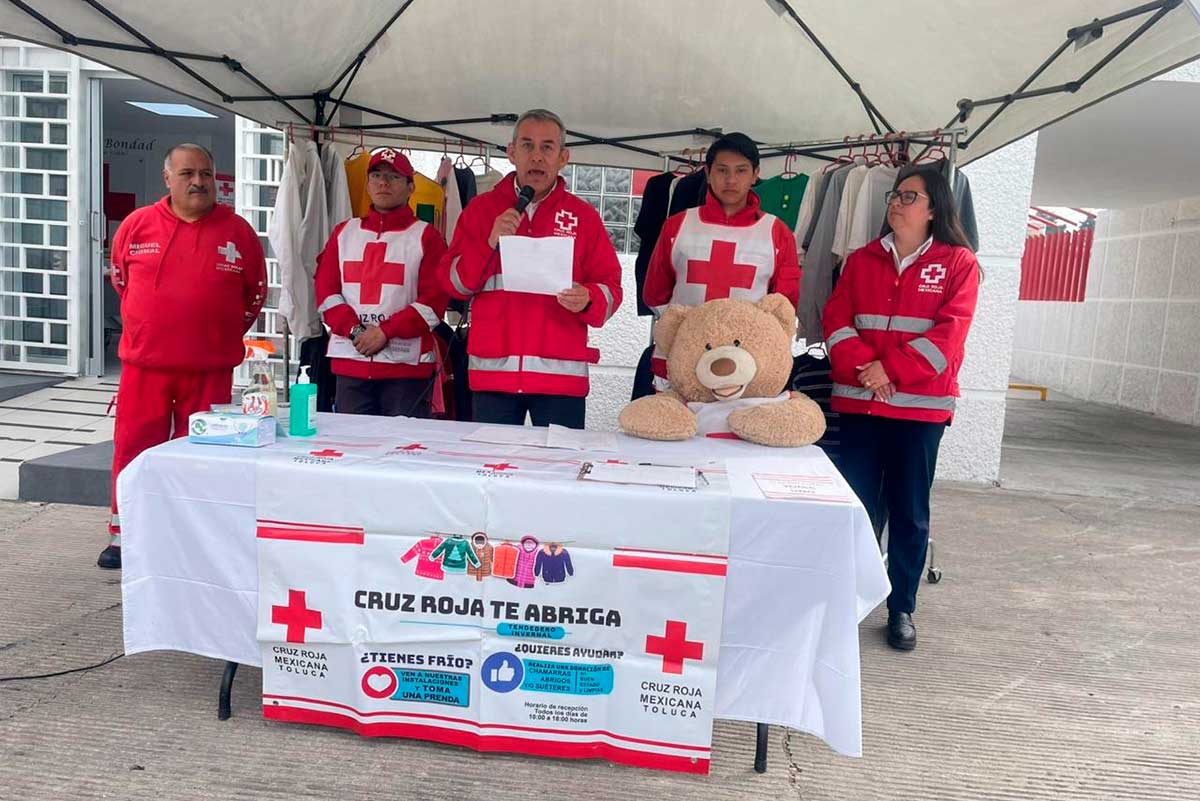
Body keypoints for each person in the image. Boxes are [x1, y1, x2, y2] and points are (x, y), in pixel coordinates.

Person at [822, 166, 979, 650]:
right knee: (857, 510)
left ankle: (901, 608)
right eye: (895, 194)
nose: (896, 202)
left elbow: (950, 335)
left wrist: (890, 370)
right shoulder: (860, 260)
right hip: (860, 405)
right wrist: (865, 368)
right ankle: (846, 602)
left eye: (910, 196)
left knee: (909, 514)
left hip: (918, 412)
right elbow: (836, 320)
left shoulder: (959, 264)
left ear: (934, 209)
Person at [101, 144, 267, 569]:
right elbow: (121, 280)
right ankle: (125, 534)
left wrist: (217, 332)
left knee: (201, 455)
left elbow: (255, 294)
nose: (198, 182)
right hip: (145, 366)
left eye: (206, 174)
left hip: (210, 368)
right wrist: (153, 326)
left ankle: (191, 536)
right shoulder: (137, 225)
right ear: (167, 178)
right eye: (188, 173)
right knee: (135, 449)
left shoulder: (239, 232)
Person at [440, 109, 622, 429]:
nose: (536, 156)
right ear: (512, 153)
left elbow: (612, 288)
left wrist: (589, 298)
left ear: (563, 157)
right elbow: (454, 284)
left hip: (560, 382)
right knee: (490, 475)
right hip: (493, 377)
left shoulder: (584, 217)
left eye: (547, 147)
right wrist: (488, 242)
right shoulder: (481, 211)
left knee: (557, 476)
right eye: (527, 145)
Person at [642, 133, 800, 391]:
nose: (731, 180)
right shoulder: (678, 225)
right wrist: (687, 334)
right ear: (707, 172)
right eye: (722, 170)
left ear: (755, 174)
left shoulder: (777, 232)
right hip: (682, 361)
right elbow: (655, 294)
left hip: (746, 367)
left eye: (741, 171)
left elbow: (783, 305)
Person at [314, 148, 448, 416]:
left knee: (403, 451)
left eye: (393, 177)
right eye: (376, 175)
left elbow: (432, 304)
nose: (383, 183)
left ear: (411, 187)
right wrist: (355, 331)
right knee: (351, 453)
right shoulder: (344, 232)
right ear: (367, 183)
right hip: (351, 362)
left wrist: (385, 332)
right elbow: (326, 293)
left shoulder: (427, 237)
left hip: (405, 368)